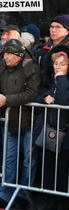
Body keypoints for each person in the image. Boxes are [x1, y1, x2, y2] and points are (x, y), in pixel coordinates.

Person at [0, 39, 40, 209]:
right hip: (10, 119)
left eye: (8, 54)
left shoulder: (31, 67)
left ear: (18, 55)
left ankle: (23, 194)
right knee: (9, 158)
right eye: (4, 54)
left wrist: (6, 100)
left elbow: (32, 93)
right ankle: (5, 193)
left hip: (29, 120)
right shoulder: (2, 66)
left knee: (28, 160)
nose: (5, 57)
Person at [34, 45, 69, 210]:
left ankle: (61, 201)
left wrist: (61, 78)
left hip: (65, 132)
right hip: (51, 130)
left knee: (62, 169)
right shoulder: (51, 80)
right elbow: (41, 97)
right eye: (56, 64)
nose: (58, 67)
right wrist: (45, 98)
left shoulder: (62, 81)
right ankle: (49, 199)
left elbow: (63, 100)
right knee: (48, 167)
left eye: (63, 64)